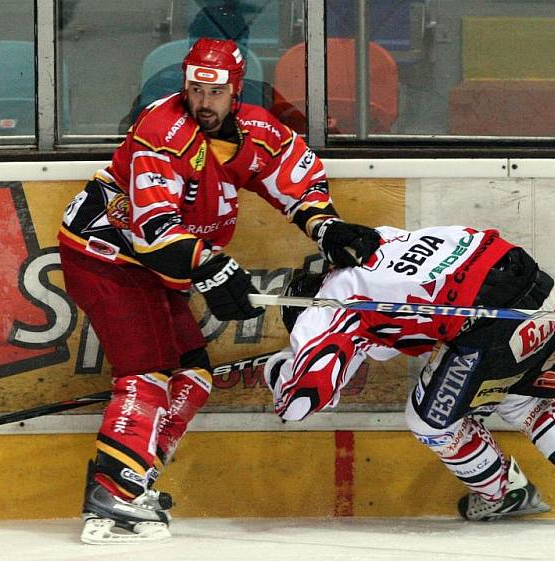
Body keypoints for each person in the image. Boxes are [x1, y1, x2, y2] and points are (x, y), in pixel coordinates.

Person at [57, 37, 380, 544]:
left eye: (215, 92)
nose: (203, 102)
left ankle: (133, 477)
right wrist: (210, 266)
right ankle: (114, 495)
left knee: (193, 373)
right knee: (149, 371)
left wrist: (326, 228)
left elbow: (295, 179)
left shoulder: (254, 129)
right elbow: (154, 231)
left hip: (154, 268)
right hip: (108, 259)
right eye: (194, 89)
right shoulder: (160, 133)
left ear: (236, 91)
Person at [264, 225, 555, 522]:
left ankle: (504, 494)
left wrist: (282, 365)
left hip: (491, 321)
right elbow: (377, 341)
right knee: (528, 403)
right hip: (544, 292)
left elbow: (299, 403)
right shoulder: (377, 241)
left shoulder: (321, 313)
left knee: (429, 421)